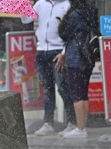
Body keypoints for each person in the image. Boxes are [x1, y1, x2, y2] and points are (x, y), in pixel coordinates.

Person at [21, 0, 76, 136]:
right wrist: (22, 6)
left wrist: (64, 53)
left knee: (63, 88)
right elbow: (26, 19)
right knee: (47, 89)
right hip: (41, 51)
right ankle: (48, 123)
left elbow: (72, 33)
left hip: (58, 51)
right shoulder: (40, 4)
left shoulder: (67, 5)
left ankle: (72, 122)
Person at [57, 0, 97, 138]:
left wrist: (61, 22)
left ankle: (80, 129)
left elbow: (63, 35)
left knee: (77, 94)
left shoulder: (74, 14)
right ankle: (83, 127)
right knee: (84, 93)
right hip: (88, 57)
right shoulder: (91, 11)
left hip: (75, 58)